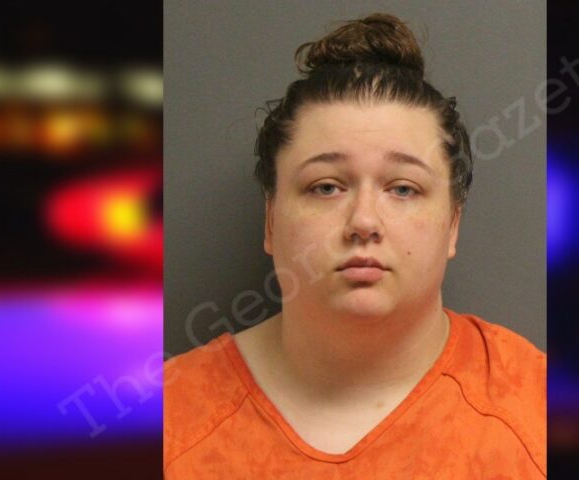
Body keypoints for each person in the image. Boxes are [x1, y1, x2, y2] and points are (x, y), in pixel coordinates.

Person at [164, 13, 545, 479]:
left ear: (452, 225)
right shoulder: (167, 422)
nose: (364, 221)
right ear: (270, 220)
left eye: (403, 188)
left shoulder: (538, 414)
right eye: (326, 187)